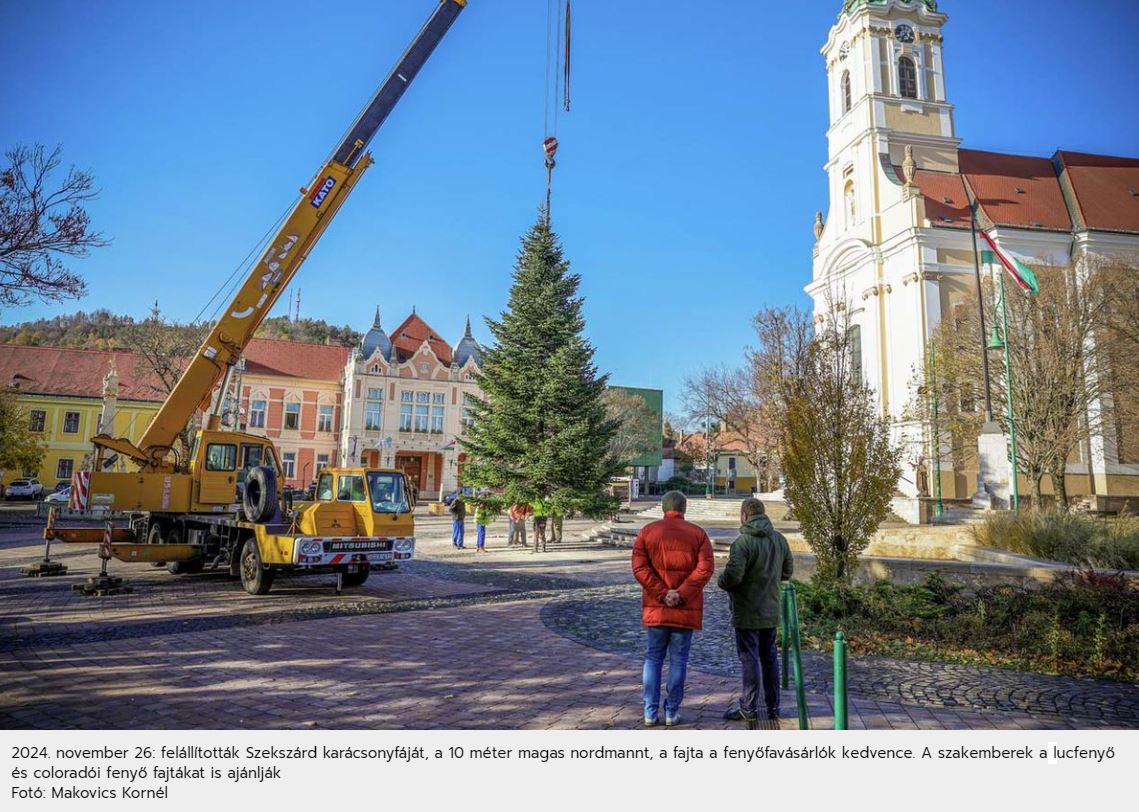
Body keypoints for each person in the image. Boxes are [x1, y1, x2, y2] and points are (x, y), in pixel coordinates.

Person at [631, 490, 714, 728]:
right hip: (684, 608)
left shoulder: (648, 532)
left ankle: (649, 711)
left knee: (653, 658)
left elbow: (639, 567)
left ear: (663, 508)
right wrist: (681, 593)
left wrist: (661, 593)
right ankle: (671, 711)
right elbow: (705, 569)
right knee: (678, 661)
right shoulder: (698, 534)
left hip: (657, 608)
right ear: (684, 508)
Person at [718, 498, 793, 725]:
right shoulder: (779, 539)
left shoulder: (743, 543)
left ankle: (749, 707)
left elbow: (733, 576)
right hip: (770, 609)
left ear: (744, 516)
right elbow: (787, 571)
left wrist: (722, 580)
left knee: (749, 658)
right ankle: (773, 705)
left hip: (747, 610)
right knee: (770, 658)